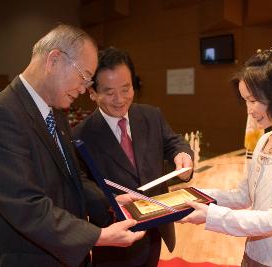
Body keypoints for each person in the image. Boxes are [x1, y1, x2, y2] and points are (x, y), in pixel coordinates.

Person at [0, 24, 144, 267]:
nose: (84, 89)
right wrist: (97, 236)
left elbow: (73, 177)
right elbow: (23, 204)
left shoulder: (55, 111)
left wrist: (109, 200)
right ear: (54, 60)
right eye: (83, 77)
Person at [179, 48, 272, 267]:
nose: (249, 110)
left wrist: (212, 215)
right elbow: (244, 194)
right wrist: (191, 195)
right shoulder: (265, 140)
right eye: (245, 101)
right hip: (251, 255)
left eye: (254, 100)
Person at [72, 47, 194, 267]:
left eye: (126, 88)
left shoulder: (150, 115)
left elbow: (173, 141)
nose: (119, 99)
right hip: (114, 237)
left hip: (156, 226)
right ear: (92, 93)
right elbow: (79, 182)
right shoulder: (81, 134)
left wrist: (182, 154)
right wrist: (107, 201)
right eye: (109, 92)